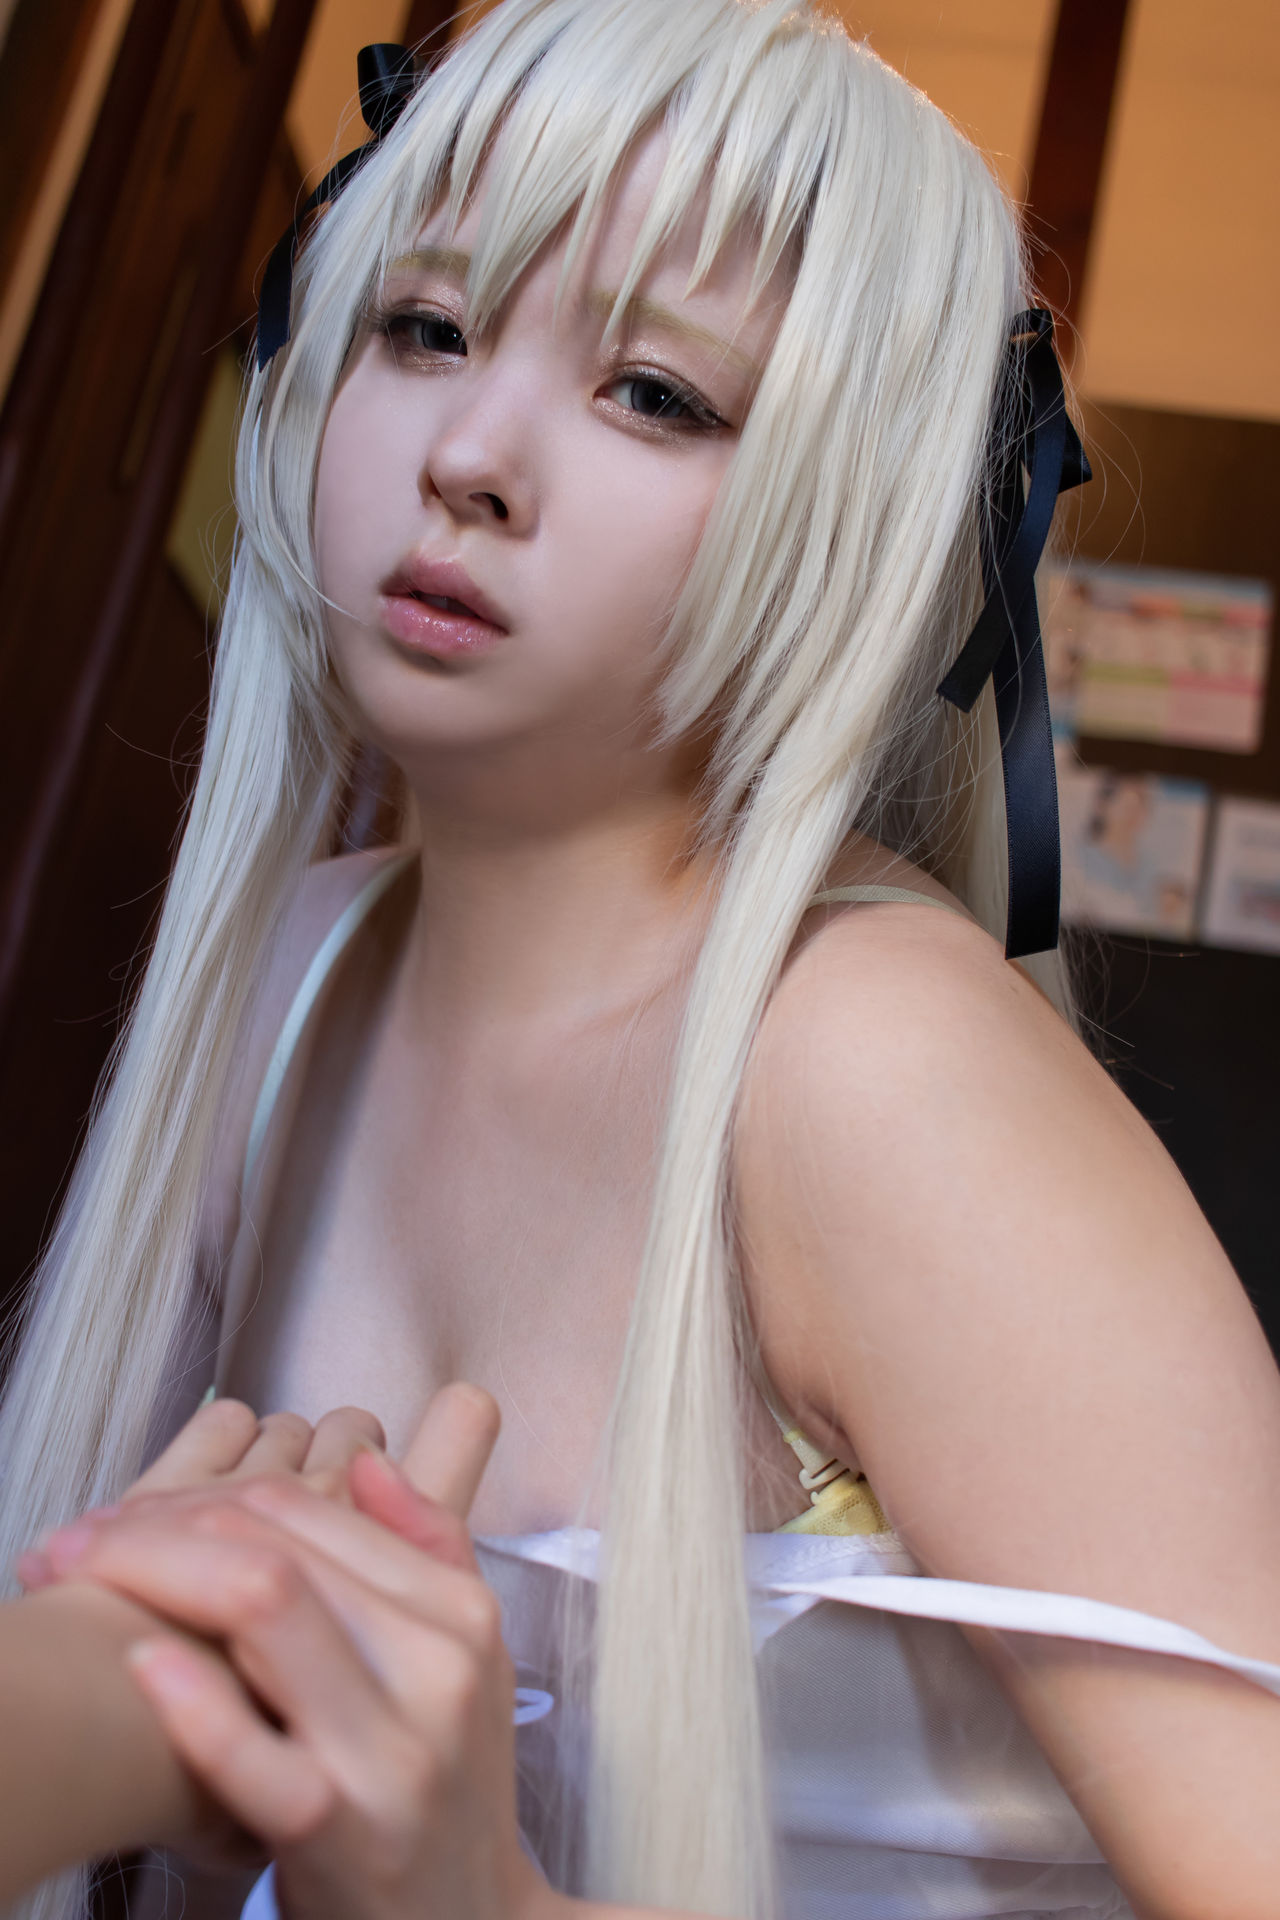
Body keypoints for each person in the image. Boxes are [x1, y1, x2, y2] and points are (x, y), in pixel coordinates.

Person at [3, 1, 1280, 1916]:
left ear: (850, 512)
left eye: (658, 393)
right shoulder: (287, 977)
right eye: (424, 328)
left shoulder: (875, 1067)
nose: (471, 457)